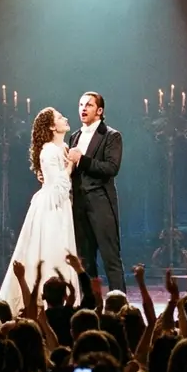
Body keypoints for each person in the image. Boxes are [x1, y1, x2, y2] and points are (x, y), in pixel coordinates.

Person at [0, 107, 80, 314]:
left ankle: (61, 295)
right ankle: (45, 299)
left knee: (61, 249)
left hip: (61, 207)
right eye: (60, 117)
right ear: (52, 126)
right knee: (52, 248)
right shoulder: (48, 151)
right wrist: (71, 164)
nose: (65, 118)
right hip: (51, 207)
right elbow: (57, 187)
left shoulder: (61, 148)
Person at [67, 92, 126, 291]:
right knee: (85, 259)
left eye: (89, 105)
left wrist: (81, 160)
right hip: (79, 204)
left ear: (99, 110)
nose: (83, 108)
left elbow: (111, 168)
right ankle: (90, 304)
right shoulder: (74, 136)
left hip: (101, 202)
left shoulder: (111, 135)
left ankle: (119, 305)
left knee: (110, 257)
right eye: (81, 104)